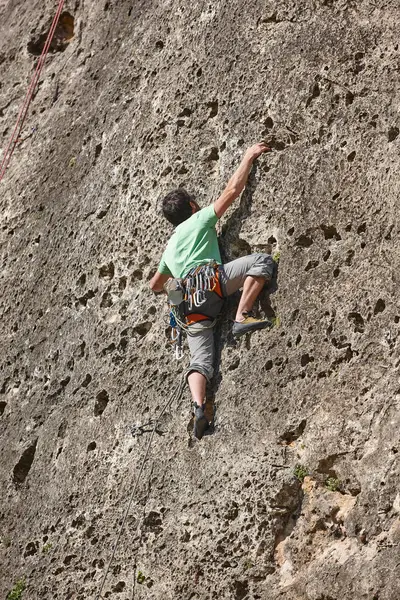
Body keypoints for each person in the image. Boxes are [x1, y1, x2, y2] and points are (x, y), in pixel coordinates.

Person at [150, 142, 275, 439]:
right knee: (261, 262)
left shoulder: (169, 247)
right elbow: (233, 191)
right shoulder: (199, 219)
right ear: (192, 207)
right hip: (213, 283)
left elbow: (155, 285)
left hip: (189, 308)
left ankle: (198, 407)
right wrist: (248, 156)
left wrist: (174, 287)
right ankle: (242, 315)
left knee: (201, 361)